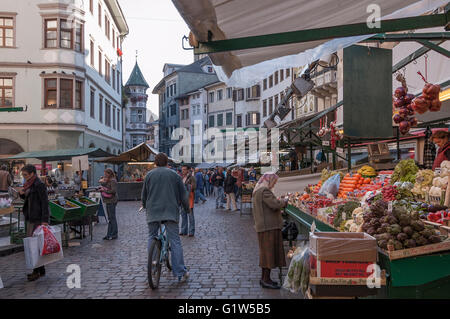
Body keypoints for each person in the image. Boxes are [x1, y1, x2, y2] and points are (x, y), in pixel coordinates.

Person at [141, 153, 190, 282]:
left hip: (153, 211)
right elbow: (183, 194)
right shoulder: (175, 175)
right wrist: (186, 208)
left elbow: (144, 195)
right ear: (167, 162)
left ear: (155, 163)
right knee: (175, 240)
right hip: (170, 211)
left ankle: (153, 265)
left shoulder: (149, 175)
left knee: (152, 236)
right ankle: (179, 271)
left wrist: (145, 205)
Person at [251, 172, 288, 289]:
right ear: (269, 180)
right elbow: (275, 204)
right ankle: (266, 279)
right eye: (274, 182)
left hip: (265, 226)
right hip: (268, 227)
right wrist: (285, 201)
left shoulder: (258, 190)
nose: (274, 184)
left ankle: (265, 278)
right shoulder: (264, 191)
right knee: (268, 253)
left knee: (266, 253)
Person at [19, 164, 50, 282]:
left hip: (38, 219)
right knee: (35, 245)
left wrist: (44, 221)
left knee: (34, 246)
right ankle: (41, 270)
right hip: (31, 217)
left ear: (32, 173)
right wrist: (22, 195)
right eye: (23, 175)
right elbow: (29, 199)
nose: (24, 177)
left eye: (25, 174)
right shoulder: (29, 184)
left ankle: (36, 271)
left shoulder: (39, 184)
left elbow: (44, 203)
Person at [99, 168, 118, 240]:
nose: (105, 175)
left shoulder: (113, 181)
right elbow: (103, 183)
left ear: (109, 173)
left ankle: (114, 234)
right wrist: (102, 181)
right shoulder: (108, 180)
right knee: (110, 218)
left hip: (112, 201)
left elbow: (113, 191)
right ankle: (109, 234)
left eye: (106, 173)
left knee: (112, 218)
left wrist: (104, 190)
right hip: (108, 201)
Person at [180, 165, 196, 237]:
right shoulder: (181, 178)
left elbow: (194, 187)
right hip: (182, 200)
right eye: (182, 169)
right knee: (183, 216)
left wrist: (188, 186)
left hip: (189, 199)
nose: (183, 171)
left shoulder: (191, 178)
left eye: (184, 169)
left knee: (190, 216)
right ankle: (184, 230)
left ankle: (191, 231)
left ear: (188, 170)